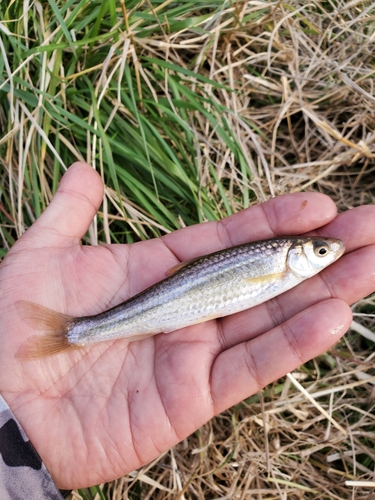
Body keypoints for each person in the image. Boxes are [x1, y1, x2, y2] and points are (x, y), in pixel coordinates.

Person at [0, 162, 374, 498]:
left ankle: (76, 332)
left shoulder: (281, 263)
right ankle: (76, 332)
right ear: (296, 254)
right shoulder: (279, 261)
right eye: (321, 252)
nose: (328, 253)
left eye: (321, 251)